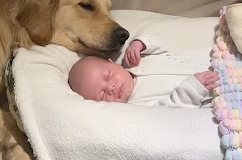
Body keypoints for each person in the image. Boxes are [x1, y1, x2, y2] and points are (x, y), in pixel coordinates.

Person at [67, 32, 219, 108]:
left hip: (217, 58)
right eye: (102, 95)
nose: (110, 87)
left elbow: (163, 44)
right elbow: (170, 112)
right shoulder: (138, 105)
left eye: (108, 76)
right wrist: (193, 89)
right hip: (216, 91)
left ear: (112, 63)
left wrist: (140, 43)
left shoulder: (137, 61)